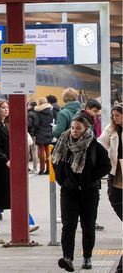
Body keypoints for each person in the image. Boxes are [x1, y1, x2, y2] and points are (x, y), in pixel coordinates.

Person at [51, 114, 110, 271]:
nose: (74, 131)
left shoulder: (95, 146)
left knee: (88, 226)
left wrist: (90, 178)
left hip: (88, 193)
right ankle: (68, 258)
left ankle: (87, 257)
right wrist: (61, 180)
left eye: (78, 128)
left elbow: (106, 166)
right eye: (72, 127)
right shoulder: (63, 143)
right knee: (68, 225)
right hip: (68, 192)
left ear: (86, 129)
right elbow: (55, 161)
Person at [0, 100, 38, 233]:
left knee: (9, 194)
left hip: (5, 165)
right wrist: (5, 160)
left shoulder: (7, 124)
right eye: (3, 108)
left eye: (7, 107)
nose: (6, 110)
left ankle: (27, 222)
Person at [98, 105, 122, 273]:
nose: (115, 118)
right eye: (113, 115)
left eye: (118, 115)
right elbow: (100, 144)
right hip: (116, 171)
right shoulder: (111, 129)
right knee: (114, 199)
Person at [33, 97, 54, 174]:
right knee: (48, 151)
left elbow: (36, 124)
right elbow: (52, 122)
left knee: (41, 151)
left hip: (40, 132)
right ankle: (49, 169)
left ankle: (42, 169)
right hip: (48, 131)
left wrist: (35, 132)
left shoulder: (38, 112)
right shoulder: (50, 112)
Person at [27, 101, 39, 173]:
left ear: (31, 106)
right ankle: (35, 168)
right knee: (35, 151)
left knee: (29, 151)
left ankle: (30, 168)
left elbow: (29, 125)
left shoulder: (29, 114)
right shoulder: (37, 113)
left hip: (31, 135)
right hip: (36, 134)